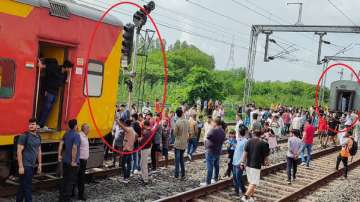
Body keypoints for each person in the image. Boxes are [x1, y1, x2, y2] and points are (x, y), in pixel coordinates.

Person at [16, 118, 42, 202]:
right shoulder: (24, 136)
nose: (31, 126)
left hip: (32, 165)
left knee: (22, 187)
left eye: (33, 124)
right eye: (30, 124)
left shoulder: (38, 137)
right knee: (27, 187)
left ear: (37, 125)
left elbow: (39, 151)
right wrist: (20, 166)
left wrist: (40, 164)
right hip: (25, 165)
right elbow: (19, 151)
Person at [240, 130, 270, 202]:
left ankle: (251, 197)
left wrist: (242, 163)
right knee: (254, 182)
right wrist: (266, 162)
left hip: (248, 165)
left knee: (251, 182)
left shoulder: (248, 141)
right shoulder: (263, 143)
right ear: (261, 135)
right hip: (256, 165)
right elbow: (266, 156)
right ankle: (245, 197)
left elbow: (245, 153)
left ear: (253, 134)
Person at [58, 119, 81, 202]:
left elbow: (61, 144)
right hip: (72, 162)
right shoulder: (76, 135)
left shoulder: (66, 134)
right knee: (70, 181)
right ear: (75, 126)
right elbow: (74, 147)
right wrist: (73, 161)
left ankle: (61, 198)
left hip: (65, 161)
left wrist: (59, 155)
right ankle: (66, 199)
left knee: (64, 179)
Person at [38, 58, 64, 129]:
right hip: (51, 92)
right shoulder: (55, 69)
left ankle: (41, 124)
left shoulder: (53, 70)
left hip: (51, 92)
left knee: (46, 108)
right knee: (47, 109)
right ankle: (40, 124)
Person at [202, 117, 226, 186]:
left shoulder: (213, 130)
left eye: (212, 122)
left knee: (210, 166)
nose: (212, 123)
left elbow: (208, 136)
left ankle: (208, 182)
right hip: (218, 150)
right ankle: (215, 178)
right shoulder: (222, 131)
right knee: (216, 165)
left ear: (215, 123)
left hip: (211, 151)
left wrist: (212, 128)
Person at [117, 119, 136, 183]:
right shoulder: (132, 129)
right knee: (128, 163)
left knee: (123, 164)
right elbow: (136, 136)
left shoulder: (129, 129)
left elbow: (122, 127)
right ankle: (127, 176)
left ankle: (125, 177)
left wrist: (117, 121)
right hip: (130, 149)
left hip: (127, 149)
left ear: (126, 124)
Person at [174, 108, 189, 179]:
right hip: (184, 143)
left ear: (177, 115)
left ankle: (176, 175)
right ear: (182, 113)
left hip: (178, 143)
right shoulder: (186, 121)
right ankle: (183, 174)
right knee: (181, 159)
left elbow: (174, 133)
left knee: (177, 160)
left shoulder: (177, 122)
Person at [232, 127, 248, 196]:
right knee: (235, 177)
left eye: (238, 132)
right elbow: (237, 149)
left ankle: (241, 191)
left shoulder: (245, 141)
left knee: (238, 177)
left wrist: (244, 163)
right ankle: (239, 191)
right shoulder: (239, 140)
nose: (237, 133)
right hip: (235, 161)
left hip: (240, 162)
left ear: (240, 133)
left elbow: (246, 153)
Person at [77, 124, 90, 201]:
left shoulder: (84, 136)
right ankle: (80, 195)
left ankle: (76, 193)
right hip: (80, 160)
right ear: (85, 129)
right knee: (81, 178)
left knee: (80, 177)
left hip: (83, 160)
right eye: (88, 128)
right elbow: (76, 147)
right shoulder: (80, 136)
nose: (89, 130)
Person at [139, 120, 152, 185]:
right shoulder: (148, 131)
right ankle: (143, 177)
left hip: (145, 149)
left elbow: (143, 141)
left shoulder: (147, 132)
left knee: (144, 164)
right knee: (142, 163)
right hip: (146, 148)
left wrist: (140, 140)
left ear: (145, 124)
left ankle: (145, 180)